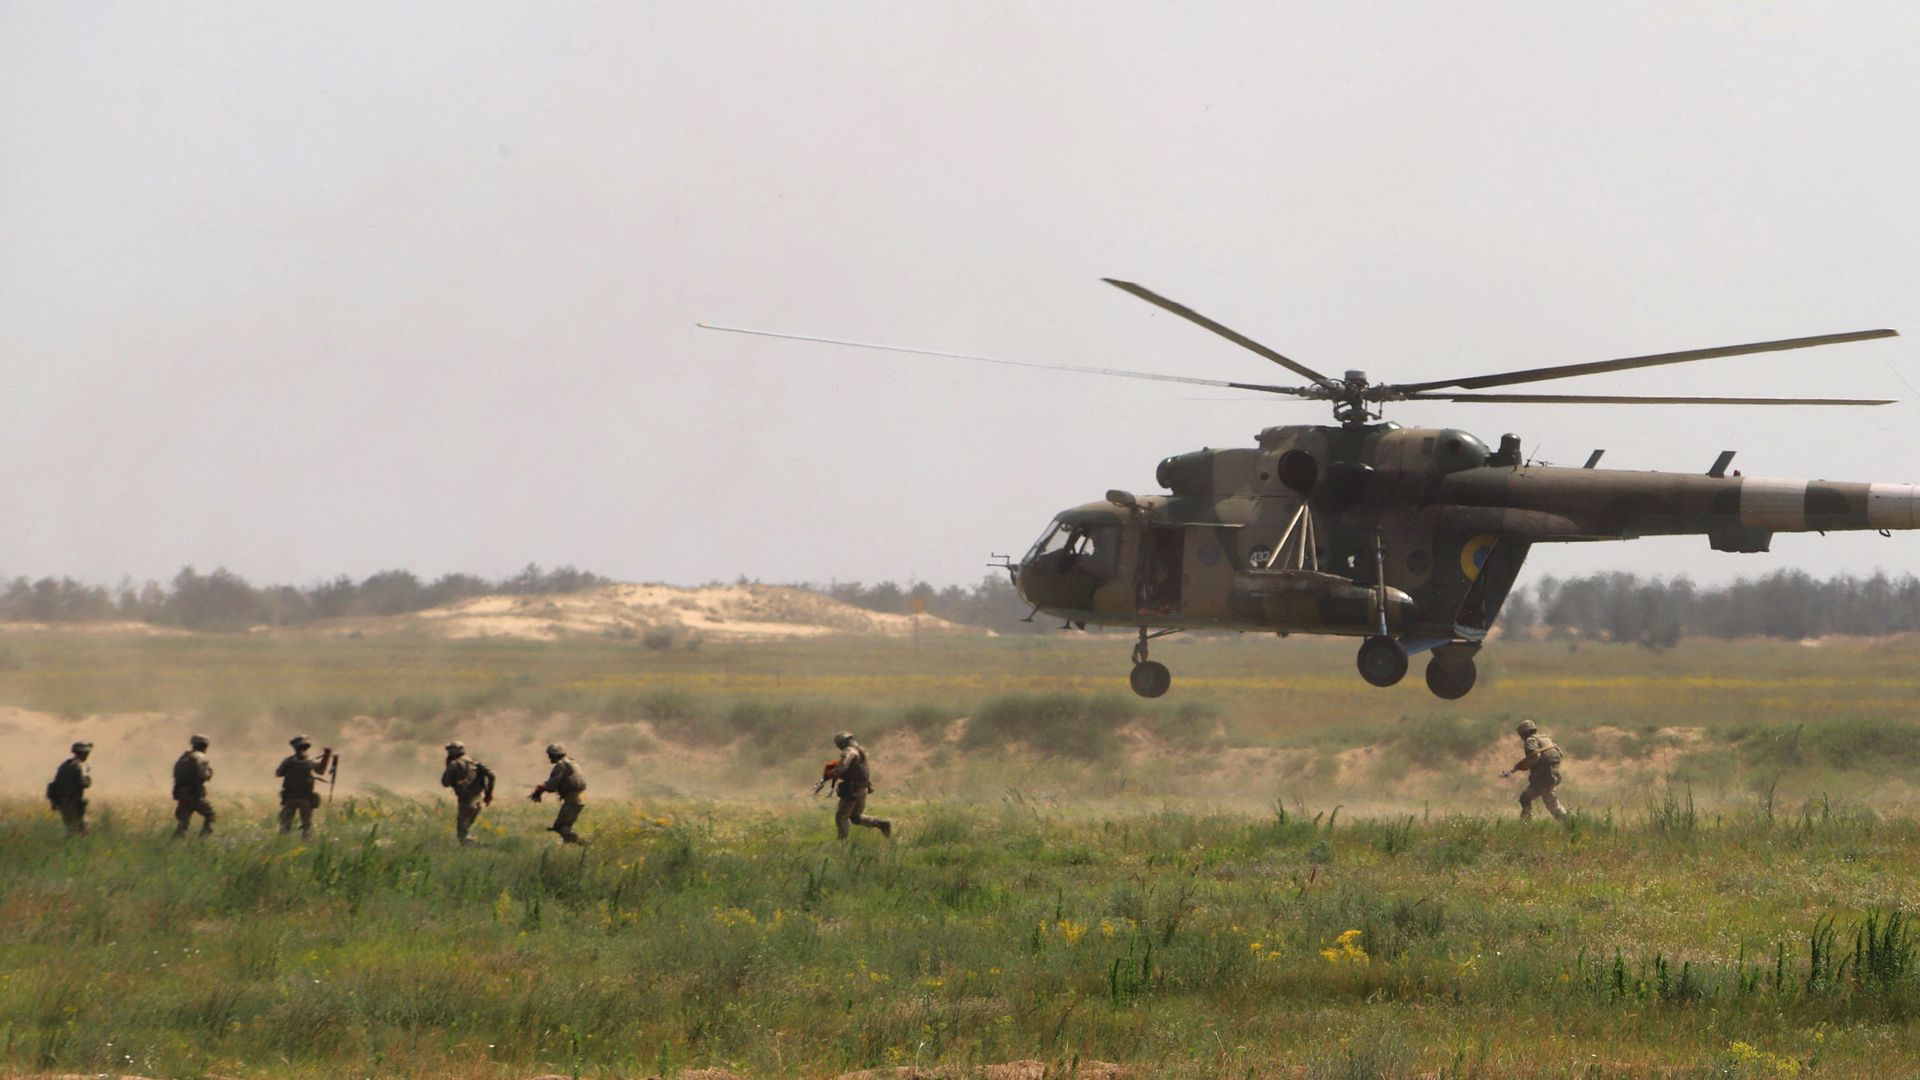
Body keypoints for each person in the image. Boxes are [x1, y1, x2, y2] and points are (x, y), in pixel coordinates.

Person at [826, 731, 890, 840]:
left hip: (852, 789)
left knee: (841, 817)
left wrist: (833, 773)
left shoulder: (849, 751)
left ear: (842, 743)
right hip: (862, 788)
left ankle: (842, 842)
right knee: (855, 818)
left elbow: (843, 766)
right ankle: (882, 824)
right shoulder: (861, 751)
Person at [1502, 719, 1566, 821]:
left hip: (1543, 777)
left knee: (1533, 800)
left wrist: (1525, 766)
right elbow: (1560, 754)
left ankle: (1527, 823)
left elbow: (1535, 756)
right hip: (1553, 774)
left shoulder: (1530, 740)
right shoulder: (1546, 739)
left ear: (1524, 733)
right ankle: (1570, 823)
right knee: (1532, 799)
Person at [275, 735, 333, 836]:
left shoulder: (308, 761)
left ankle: (305, 842)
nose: (301, 750)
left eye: (303, 747)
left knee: (306, 825)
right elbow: (279, 773)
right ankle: (283, 843)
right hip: (291, 797)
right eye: (300, 748)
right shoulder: (290, 761)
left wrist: (326, 757)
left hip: (304, 797)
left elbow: (320, 771)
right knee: (285, 824)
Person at [440, 740, 496, 845]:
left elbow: (445, 783)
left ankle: (479, 849)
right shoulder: (474, 762)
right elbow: (492, 775)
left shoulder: (454, 764)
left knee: (462, 835)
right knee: (466, 830)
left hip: (466, 800)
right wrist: (489, 794)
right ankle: (479, 847)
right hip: (478, 800)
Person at [528, 743, 586, 844]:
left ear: (555, 754)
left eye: (550, 755)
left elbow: (552, 785)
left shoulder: (560, 765)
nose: (549, 757)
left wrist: (541, 789)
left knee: (563, 828)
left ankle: (585, 845)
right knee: (560, 826)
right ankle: (572, 846)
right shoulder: (572, 762)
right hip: (577, 799)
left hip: (572, 801)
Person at [172, 734, 216, 837]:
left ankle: (176, 841)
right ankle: (204, 839)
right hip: (193, 793)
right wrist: (209, 773)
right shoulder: (200, 757)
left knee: (183, 822)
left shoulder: (184, 757)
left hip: (180, 792)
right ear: (205, 746)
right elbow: (203, 775)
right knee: (210, 815)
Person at [47, 740, 93, 836]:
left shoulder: (64, 765)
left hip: (62, 802)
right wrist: (87, 774)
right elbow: (85, 784)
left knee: (70, 828)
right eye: (86, 753)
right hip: (74, 802)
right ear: (83, 753)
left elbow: (54, 785)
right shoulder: (80, 766)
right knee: (83, 831)